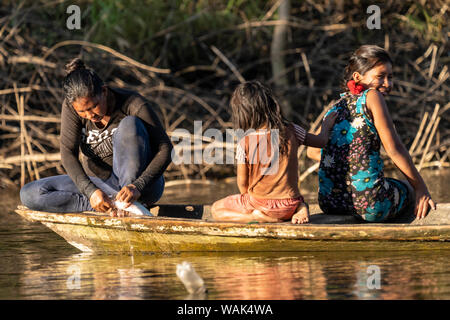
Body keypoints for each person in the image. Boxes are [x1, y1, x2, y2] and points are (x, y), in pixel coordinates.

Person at [20, 58, 173, 216]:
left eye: (93, 106)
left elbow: (166, 148)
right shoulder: (71, 107)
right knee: (30, 194)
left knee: (130, 124)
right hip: (101, 185)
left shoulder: (133, 104)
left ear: (104, 92)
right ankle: (109, 205)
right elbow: (67, 154)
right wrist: (90, 191)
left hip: (141, 187)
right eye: (82, 112)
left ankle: (127, 204)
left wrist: (137, 186)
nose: (90, 115)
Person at [307, 45, 436, 222]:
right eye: (380, 77)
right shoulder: (372, 96)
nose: (387, 83)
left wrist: (347, 161)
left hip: (330, 202)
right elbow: (394, 149)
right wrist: (421, 188)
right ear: (357, 77)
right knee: (408, 187)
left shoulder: (337, 106)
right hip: (371, 206)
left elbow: (311, 151)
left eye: (390, 77)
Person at [211, 81, 337, 224]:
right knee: (291, 200)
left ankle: (256, 217)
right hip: (290, 204)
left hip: (261, 206)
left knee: (216, 209)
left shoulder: (244, 142)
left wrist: (251, 203)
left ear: (242, 113)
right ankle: (300, 207)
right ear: (271, 105)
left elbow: (242, 183)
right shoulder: (292, 130)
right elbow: (321, 141)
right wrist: (326, 125)